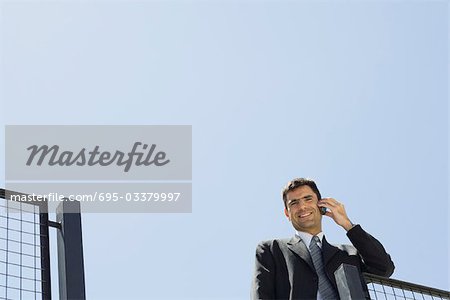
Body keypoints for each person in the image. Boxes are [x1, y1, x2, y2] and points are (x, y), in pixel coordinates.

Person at [252, 178, 395, 299]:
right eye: (294, 203)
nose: (302, 207)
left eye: (308, 199)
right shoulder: (271, 249)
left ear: (321, 206)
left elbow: (384, 269)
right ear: (287, 214)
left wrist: (348, 225)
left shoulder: (349, 253)